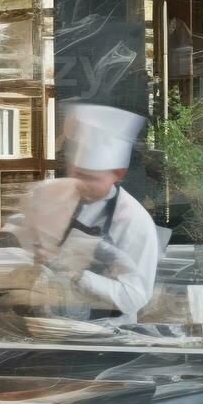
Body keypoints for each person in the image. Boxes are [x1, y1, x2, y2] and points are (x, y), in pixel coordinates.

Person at [12, 103, 159, 322]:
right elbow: (25, 234)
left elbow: (134, 296)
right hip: (47, 323)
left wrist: (77, 274)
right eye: (77, 174)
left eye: (92, 178)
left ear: (118, 173)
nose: (81, 184)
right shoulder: (47, 194)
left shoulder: (134, 221)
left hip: (107, 333)